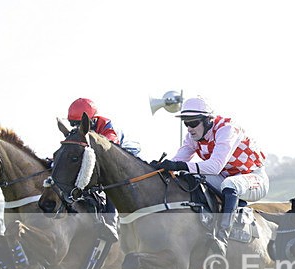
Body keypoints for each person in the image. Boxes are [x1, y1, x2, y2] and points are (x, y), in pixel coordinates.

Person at [150, 96, 269, 257]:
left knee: (230, 184)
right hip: (225, 176)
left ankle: (222, 237)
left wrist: (179, 166)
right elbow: (179, 160)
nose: (189, 128)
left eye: (193, 123)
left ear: (207, 121)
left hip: (254, 178)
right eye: (186, 123)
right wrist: (158, 167)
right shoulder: (192, 137)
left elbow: (214, 166)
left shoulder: (227, 130)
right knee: (187, 177)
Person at [67, 97, 141, 242]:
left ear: (91, 121)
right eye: (72, 124)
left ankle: (111, 223)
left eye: (78, 124)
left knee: (109, 181)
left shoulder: (106, 126)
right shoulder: (82, 131)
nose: (76, 128)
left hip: (125, 150)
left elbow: (108, 149)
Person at [67, 98, 141, 155]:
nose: (78, 127)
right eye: (74, 124)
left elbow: (110, 150)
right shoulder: (89, 129)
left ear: (91, 120)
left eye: (80, 123)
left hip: (129, 151)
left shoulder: (108, 127)